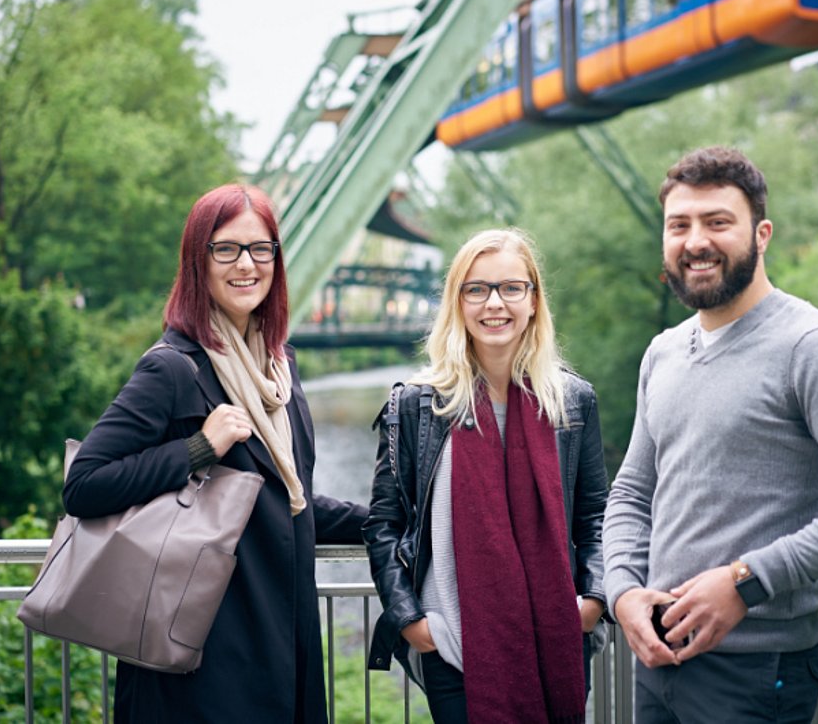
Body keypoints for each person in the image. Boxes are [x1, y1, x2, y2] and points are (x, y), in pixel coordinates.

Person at [602, 146, 818, 724]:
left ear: (761, 233)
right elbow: (630, 494)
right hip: (657, 659)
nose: (696, 241)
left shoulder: (813, 346)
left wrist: (747, 581)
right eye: (679, 225)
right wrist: (622, 592)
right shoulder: (663, 351)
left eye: (718, 222)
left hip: (756, 672)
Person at [63, 184, 367, 723]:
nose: (246, 264)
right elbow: (85, 484)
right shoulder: (174, 368)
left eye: (261, 248)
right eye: (226, 249)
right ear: (197, 261)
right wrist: (199, 447)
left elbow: (284, 503)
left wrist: (390, 519)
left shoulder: (280, 370)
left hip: (279, 641)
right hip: (201, 660)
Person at [363, 228, 608, 724]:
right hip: (454, 645)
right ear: (457, 302)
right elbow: (384, 524)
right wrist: (410, 620)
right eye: (477, 289)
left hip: (556, 639)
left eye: (511, 288)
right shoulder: (417, 405)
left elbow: (595, 517)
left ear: (534, 300)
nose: (494, 303)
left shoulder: (572, 403)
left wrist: (593, 599)